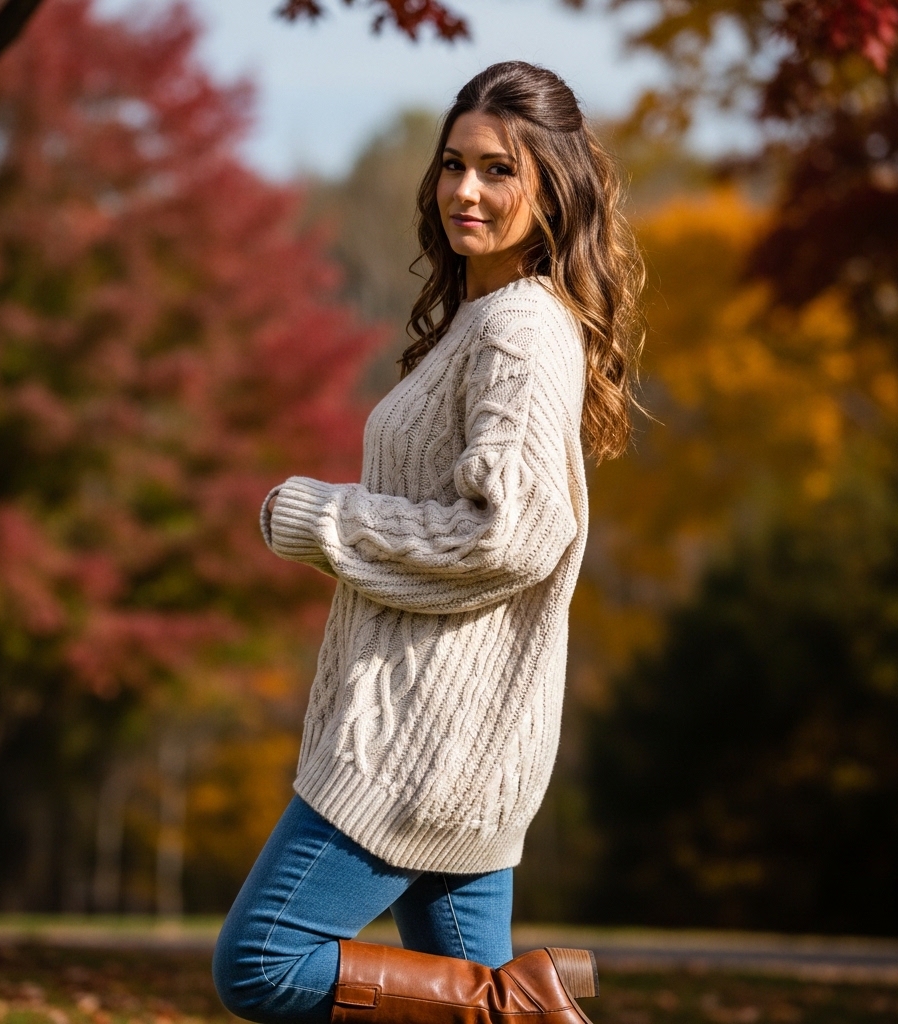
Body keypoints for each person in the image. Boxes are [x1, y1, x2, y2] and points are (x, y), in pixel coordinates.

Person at [212, 61, 644, 1024]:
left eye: (498, 170)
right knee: (460, 986)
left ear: (552, 187)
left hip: (420, 741)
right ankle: (511, 1005)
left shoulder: (520, 331)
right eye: (454, 165)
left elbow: (516, 532)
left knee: (263, 959)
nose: (466, 191)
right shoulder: (482, 321)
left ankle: (518, 1004)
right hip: (465, 739)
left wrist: (325, 518)